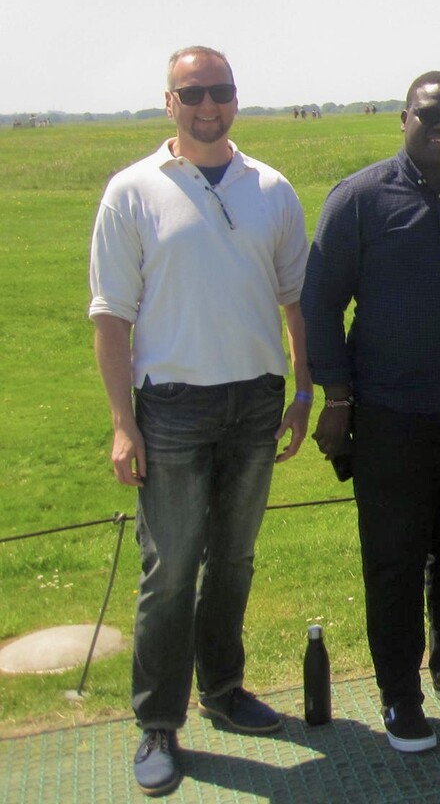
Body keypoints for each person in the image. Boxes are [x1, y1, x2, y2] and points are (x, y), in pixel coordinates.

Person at [89, 46, 310, 796]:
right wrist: (124, 422)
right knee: (172, 567)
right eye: (192, 93)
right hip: (173, 402)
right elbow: (111, 319)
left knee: (236, 560)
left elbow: (294, 300)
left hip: (255, 399)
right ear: (169, 102)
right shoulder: (132, 191)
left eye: (218, 92)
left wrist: (302, 387)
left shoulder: (271, 188)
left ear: (236, 100)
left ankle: (223, 689)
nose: (207, 106)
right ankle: (159, 721)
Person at [302, 71, 440, 754]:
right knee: (392, 559)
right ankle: (400, 695)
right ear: (404, 118)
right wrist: (335, 396)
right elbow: (321, 304)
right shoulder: (358, 199)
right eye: (430, 115)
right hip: (390, 412)